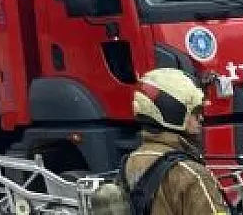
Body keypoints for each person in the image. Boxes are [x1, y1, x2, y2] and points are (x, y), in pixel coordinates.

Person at [92, 68, 229, 215]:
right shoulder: (193, 174)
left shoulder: (129, 163)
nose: (201, 118)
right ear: (173, 112)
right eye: (195, 112)